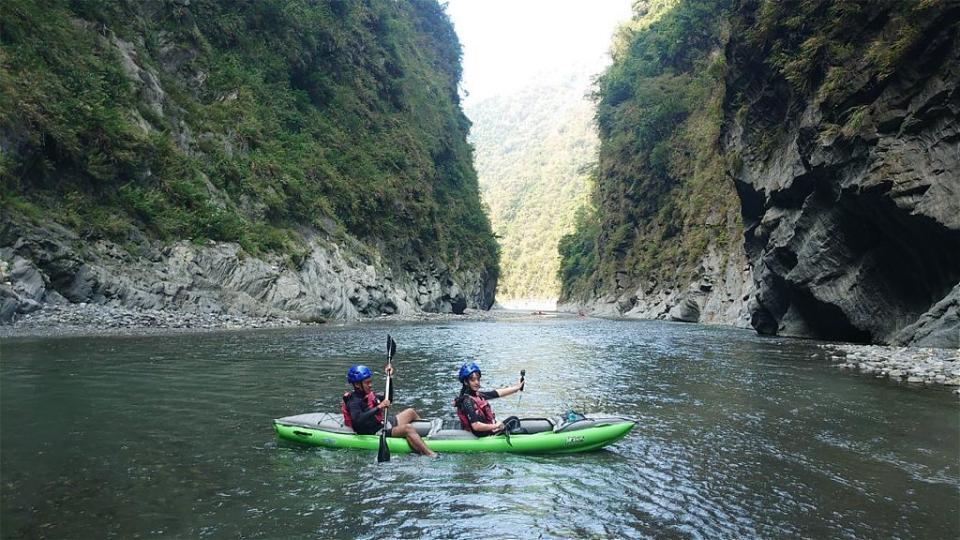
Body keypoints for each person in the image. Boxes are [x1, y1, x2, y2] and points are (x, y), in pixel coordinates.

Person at [341, 364, 436, 457]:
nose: (370, 385)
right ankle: (430, 454)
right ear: (357, 384)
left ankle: (424, 438)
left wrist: (389, 377)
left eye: (370, 382)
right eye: (367, 383)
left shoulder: (368, 394)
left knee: (410, 412)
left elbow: (388, 398)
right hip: (376, 432)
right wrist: (379, 407)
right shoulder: (353, 401)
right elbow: (357, 419)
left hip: (383, 424)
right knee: (407, 428)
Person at [454, 362, 524, 436]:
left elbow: (497, 393)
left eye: (478, 379)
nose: (477, 382)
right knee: (514, 421)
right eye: (473, 380)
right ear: (466, 382)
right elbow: (476, 426)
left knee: (514, 419)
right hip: (485, 437)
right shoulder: (467, 401)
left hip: (489, 432)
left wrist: (516, 388)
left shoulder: (477, 395)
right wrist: (496, 426)